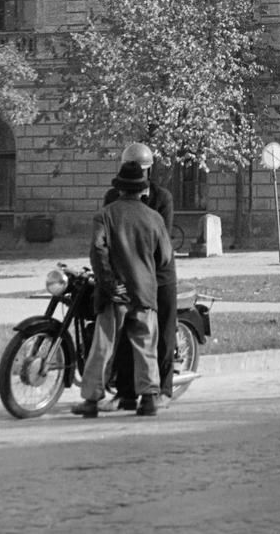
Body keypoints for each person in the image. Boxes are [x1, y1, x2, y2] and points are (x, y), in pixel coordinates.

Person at [73, 160, 174, 419]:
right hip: (144, 291)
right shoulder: (155, 218)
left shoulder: (106, 215)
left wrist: (109, 283)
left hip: (114, 293)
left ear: (119, 189)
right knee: (145, 345)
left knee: (103, 346)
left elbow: (98, 251)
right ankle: (149, 399)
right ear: (142, 190)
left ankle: (92, 400)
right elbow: (164, 257)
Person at [108, 142, 180, 409]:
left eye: (141, 169)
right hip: (128, 275)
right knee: (126, 333)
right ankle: (125, 392)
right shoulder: (111, 199)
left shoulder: (162, 199)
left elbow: (162, 245)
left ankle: (163, 389)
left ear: (149, 170)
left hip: (159, 275)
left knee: (162, 331)